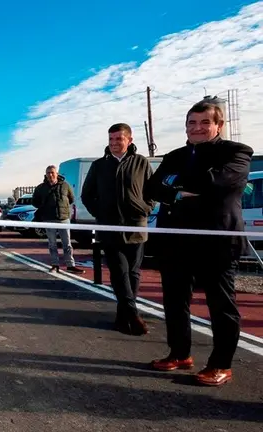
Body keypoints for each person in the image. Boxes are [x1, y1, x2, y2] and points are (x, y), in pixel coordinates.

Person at [145, 101, 252, 386]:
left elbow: (215, 183)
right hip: (176, 241)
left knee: (221, 305)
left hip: (216, 242)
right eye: (192, 123)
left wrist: (174, 184)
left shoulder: (236, 153)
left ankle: (221, 365)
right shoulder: (174, 155)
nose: (197, 128)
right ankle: (179, 353)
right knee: (175, 301)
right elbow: (152, 187)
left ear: (219, 125)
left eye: (205, 122)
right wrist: (179, 193)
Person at [81, 123, 153, 336]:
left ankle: (122, 318)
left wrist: (145, 209)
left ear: (129, 140)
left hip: (137, 227)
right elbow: (87, 195)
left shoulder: (141, 163)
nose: (113, 144)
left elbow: (152, 191)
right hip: (110, 229)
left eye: (118, 139)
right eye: (111, 140)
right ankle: (133, 314)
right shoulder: (99, 166)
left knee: (133, 273)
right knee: (119, 272)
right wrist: (101, 214)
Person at [32, 165, 84, 274]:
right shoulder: (41, 188)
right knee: (52, 244)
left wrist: (62, 208)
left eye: (52, 172)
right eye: (48, 173)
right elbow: (34, 202)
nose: (50, 175)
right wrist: (43, 206)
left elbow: (71, 199)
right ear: (46, 175)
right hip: (48, 219)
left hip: (63, 219)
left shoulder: (65, 185)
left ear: (56, 173)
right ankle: (55, 264)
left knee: (67, 243)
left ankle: (70, 265)